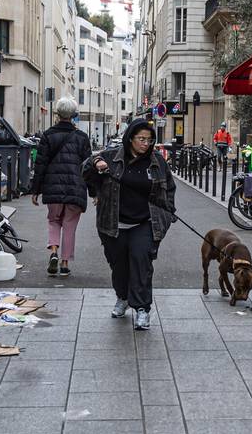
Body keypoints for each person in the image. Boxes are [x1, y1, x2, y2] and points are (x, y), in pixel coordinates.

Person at [82, 119, 176, 330]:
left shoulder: (157, 161)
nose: (145, 144)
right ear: (130, 138)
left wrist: (167, 213)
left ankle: (142, 309)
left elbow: (169, 188)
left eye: (149, 140)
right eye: (141, 139)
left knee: (142, 262)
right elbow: (85, 169)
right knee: (119, 266)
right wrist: (96, 164)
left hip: (145, 223)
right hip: (113, 223)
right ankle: (122, 297)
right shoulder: (111, 157)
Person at [30, 97, 92, 277]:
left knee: (54, 220)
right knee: (70, 225)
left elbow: (40, 164)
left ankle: (54, 251)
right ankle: (64, 263)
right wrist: (94, 192)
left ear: (57, 114)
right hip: (75, 187)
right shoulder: (82, 137)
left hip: (53, 187)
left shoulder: (48, 135)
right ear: (73, 115)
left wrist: (35, 190)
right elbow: (88, 167)